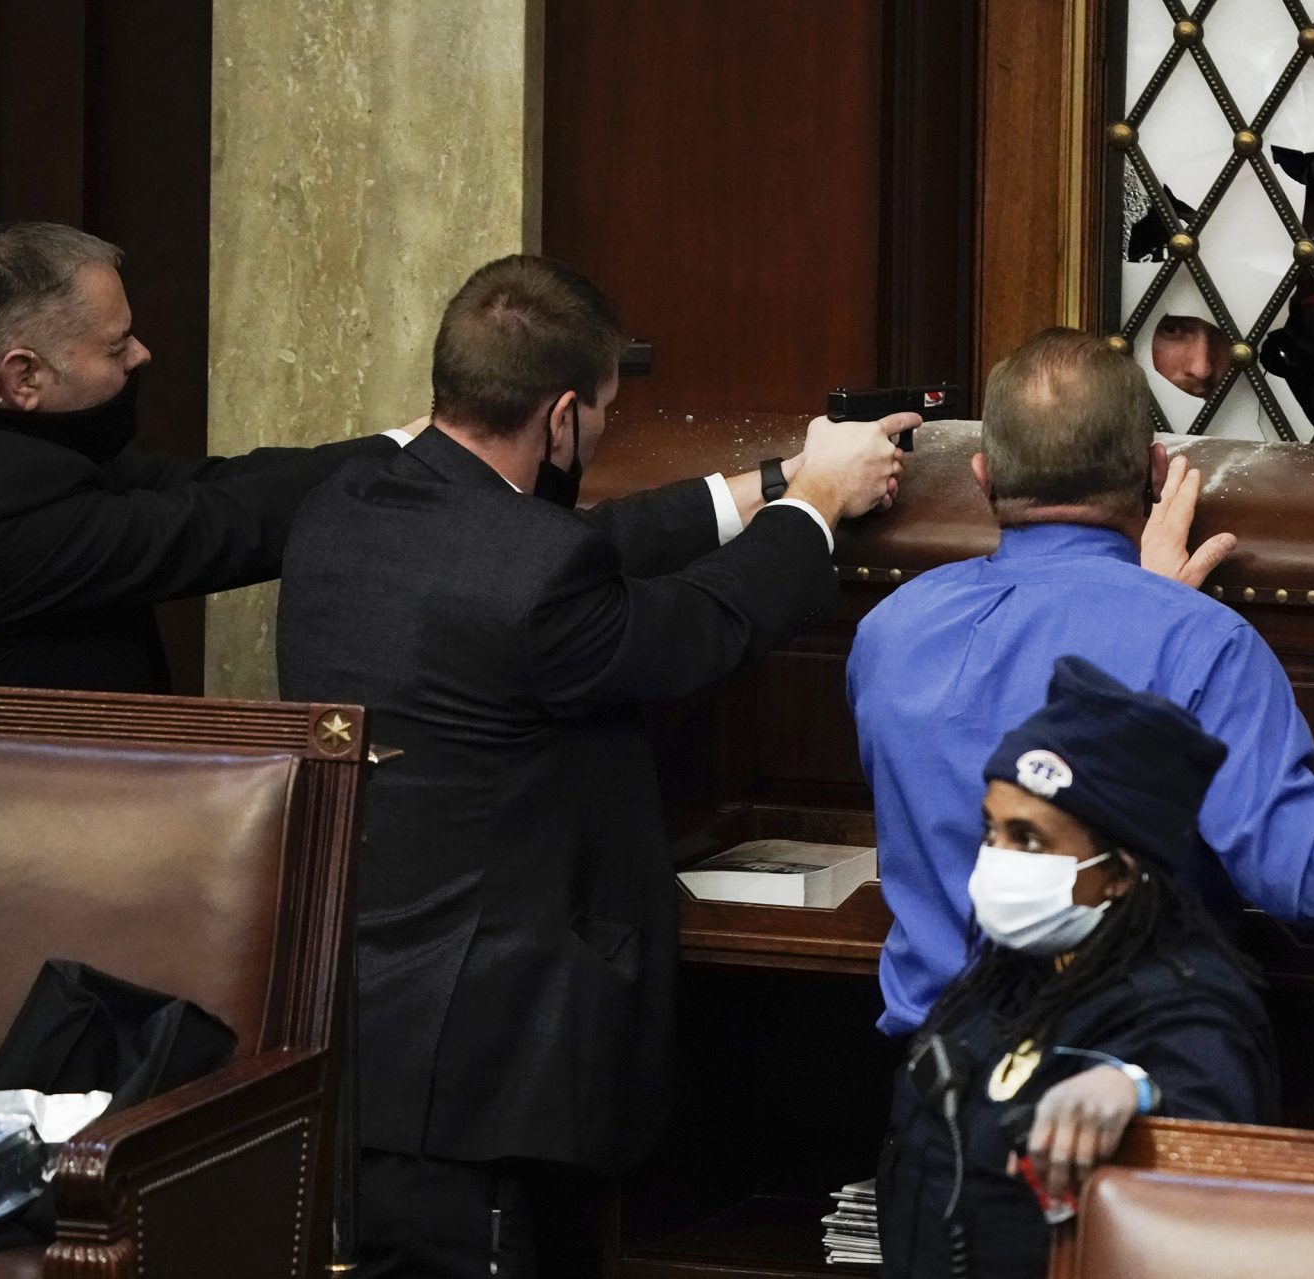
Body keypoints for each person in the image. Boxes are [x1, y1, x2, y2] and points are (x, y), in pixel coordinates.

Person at [274, 252, 910, 1277]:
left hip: (355, 1028)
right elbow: (700, 627)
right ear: (562, 415)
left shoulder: (348, 505)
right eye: (605, 412)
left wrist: (770, 485)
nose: (605, 432)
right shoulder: (535, 576)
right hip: (487, 1070)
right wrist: (815, 514)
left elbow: (564, 541)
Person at [848, 326, 1314, 1039]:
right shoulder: (1197, 642)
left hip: (932, 1097)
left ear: (983, 476)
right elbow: (1305, 870)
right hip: (1125, 1095)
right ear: (1157, 470)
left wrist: (1147, 606)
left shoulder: (888, 631)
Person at [880, 655, 1279, 1278]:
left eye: (1030, 840)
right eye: (993, 831)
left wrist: (1130, 1085)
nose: (998, 859)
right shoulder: (1017, 970)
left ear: (1118, 873)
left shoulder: (1192, 1001)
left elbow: (1206, 1101)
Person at [0, 221, 410, 693]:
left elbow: (201, 483)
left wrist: (400, 443)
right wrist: (431, 451)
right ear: (25, 376)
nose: (141, 353)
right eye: (116, 348)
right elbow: (215, 526)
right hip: (30, 791)